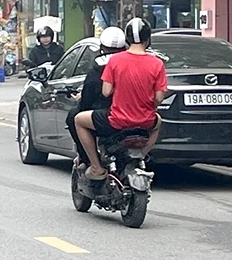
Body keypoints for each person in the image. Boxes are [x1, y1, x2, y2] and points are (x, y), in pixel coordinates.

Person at [75, 18, 167, 179]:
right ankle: (140, 155)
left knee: (78, 120)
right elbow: (159, 97)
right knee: (158, 121)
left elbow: (106, 92)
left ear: (127, 39)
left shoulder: (116, 61)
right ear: (148, 39)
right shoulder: (157, 64)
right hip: (145, 122)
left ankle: (96, 167)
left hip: (116, 121)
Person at [65, 27, 127, 167]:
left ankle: (93, 164)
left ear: (101, 47)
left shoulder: (99, 68)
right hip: (136, 115)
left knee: (75, 117)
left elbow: (89, 99)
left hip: (109, 116)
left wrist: (82, 101)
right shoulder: (136, 63)